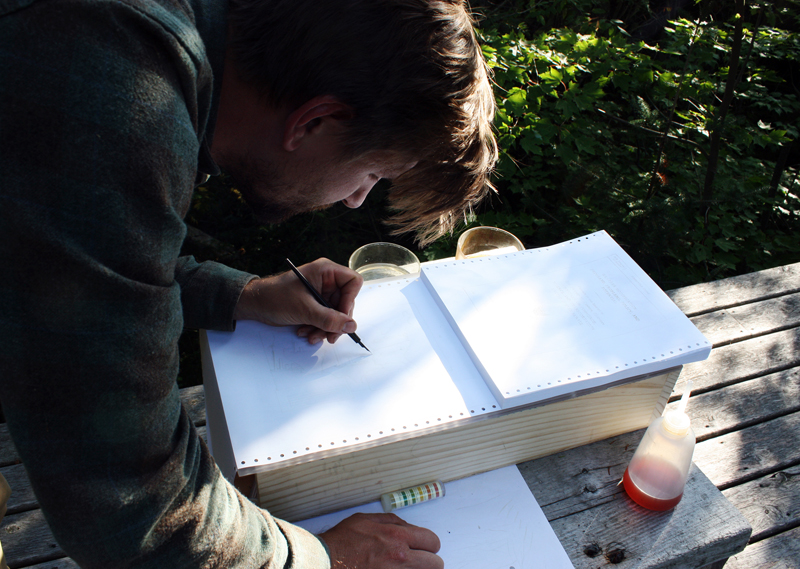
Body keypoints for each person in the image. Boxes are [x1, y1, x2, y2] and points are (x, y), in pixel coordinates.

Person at [0, 0, 496, 567]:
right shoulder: (115, 93)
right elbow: (133, 508)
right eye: (372, 173)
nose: (358, 197)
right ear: (312, 121)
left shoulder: (143, 42)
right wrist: (323, 558)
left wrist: (242, 294)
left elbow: (63, 261)